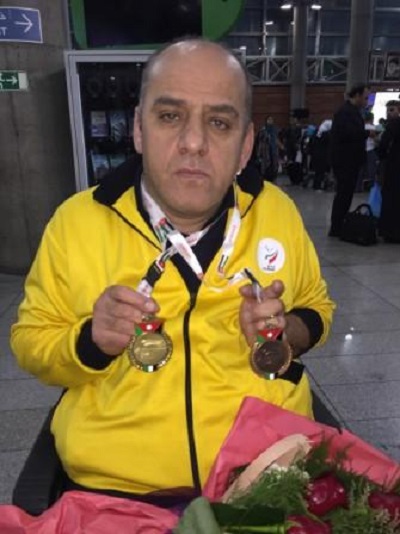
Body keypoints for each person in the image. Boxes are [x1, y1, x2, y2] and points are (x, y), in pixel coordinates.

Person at [11, 39, 335, 508]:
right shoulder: (76, 222)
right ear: (138, 129)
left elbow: (318, 308)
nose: (194, 143)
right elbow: (31, 341)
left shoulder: (276, 212)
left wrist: (287, 331)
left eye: (219, 123)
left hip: (264, 476)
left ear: (245, 145)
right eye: (169, 116)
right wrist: (89, 341)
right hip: (118, 490)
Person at [328, 84, 372, 237]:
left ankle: (340, 223)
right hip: (345, 161)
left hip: (351, 161)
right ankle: (336, 226)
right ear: (357, 96)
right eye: (365, 98)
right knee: (343, 194)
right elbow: (348, 133)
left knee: (346, 194)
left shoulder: (353, 112)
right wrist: (366, 134)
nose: (366, 101)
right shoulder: (345, 112)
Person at [376, 99, 400, 243]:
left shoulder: (394, 125)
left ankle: (390, 231)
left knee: (391, 198)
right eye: (388, 110)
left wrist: (382, 155)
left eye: (392, 110)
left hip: (394, 166)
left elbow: (383, 145)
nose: (389, 113)